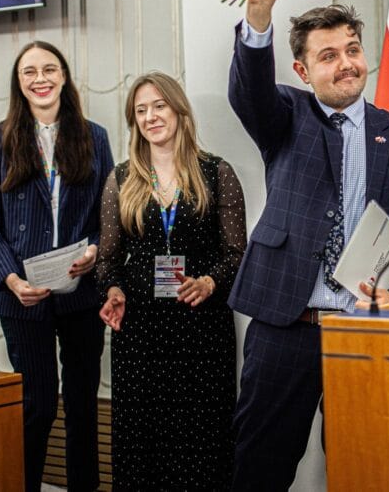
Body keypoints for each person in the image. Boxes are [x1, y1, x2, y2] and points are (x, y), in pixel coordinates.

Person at [228, 0, 389, 490]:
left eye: (352, 50)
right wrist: (258, 14)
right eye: (328, 56)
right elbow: (249, 90)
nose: (346, 64)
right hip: (286, 325)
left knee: (366, 466)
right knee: (258, 468)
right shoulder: (285, 116)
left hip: (368, 329)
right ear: (303, 71)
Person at [0, 41, 112, 492]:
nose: (40, 79)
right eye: (29, 72)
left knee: (82, 407)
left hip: (81, 295)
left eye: (49, 69)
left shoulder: (95, 137)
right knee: (37, 406)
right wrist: (12, 280)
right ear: (19, 83)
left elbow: (107, 219)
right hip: (23, 298)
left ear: (64, 76)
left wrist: (95, 250)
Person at [96, 71, 246, 490]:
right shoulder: (121, 179)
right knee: (143, 445)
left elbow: (237, 254)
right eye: (141, 110)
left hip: (201, 332)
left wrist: (209, 282)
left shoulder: (216, 172)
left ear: (179, 110)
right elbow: (107, 259)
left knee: (201, 441)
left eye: (159, 106)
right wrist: (112, 290)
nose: (151, 117)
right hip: (139, 335)